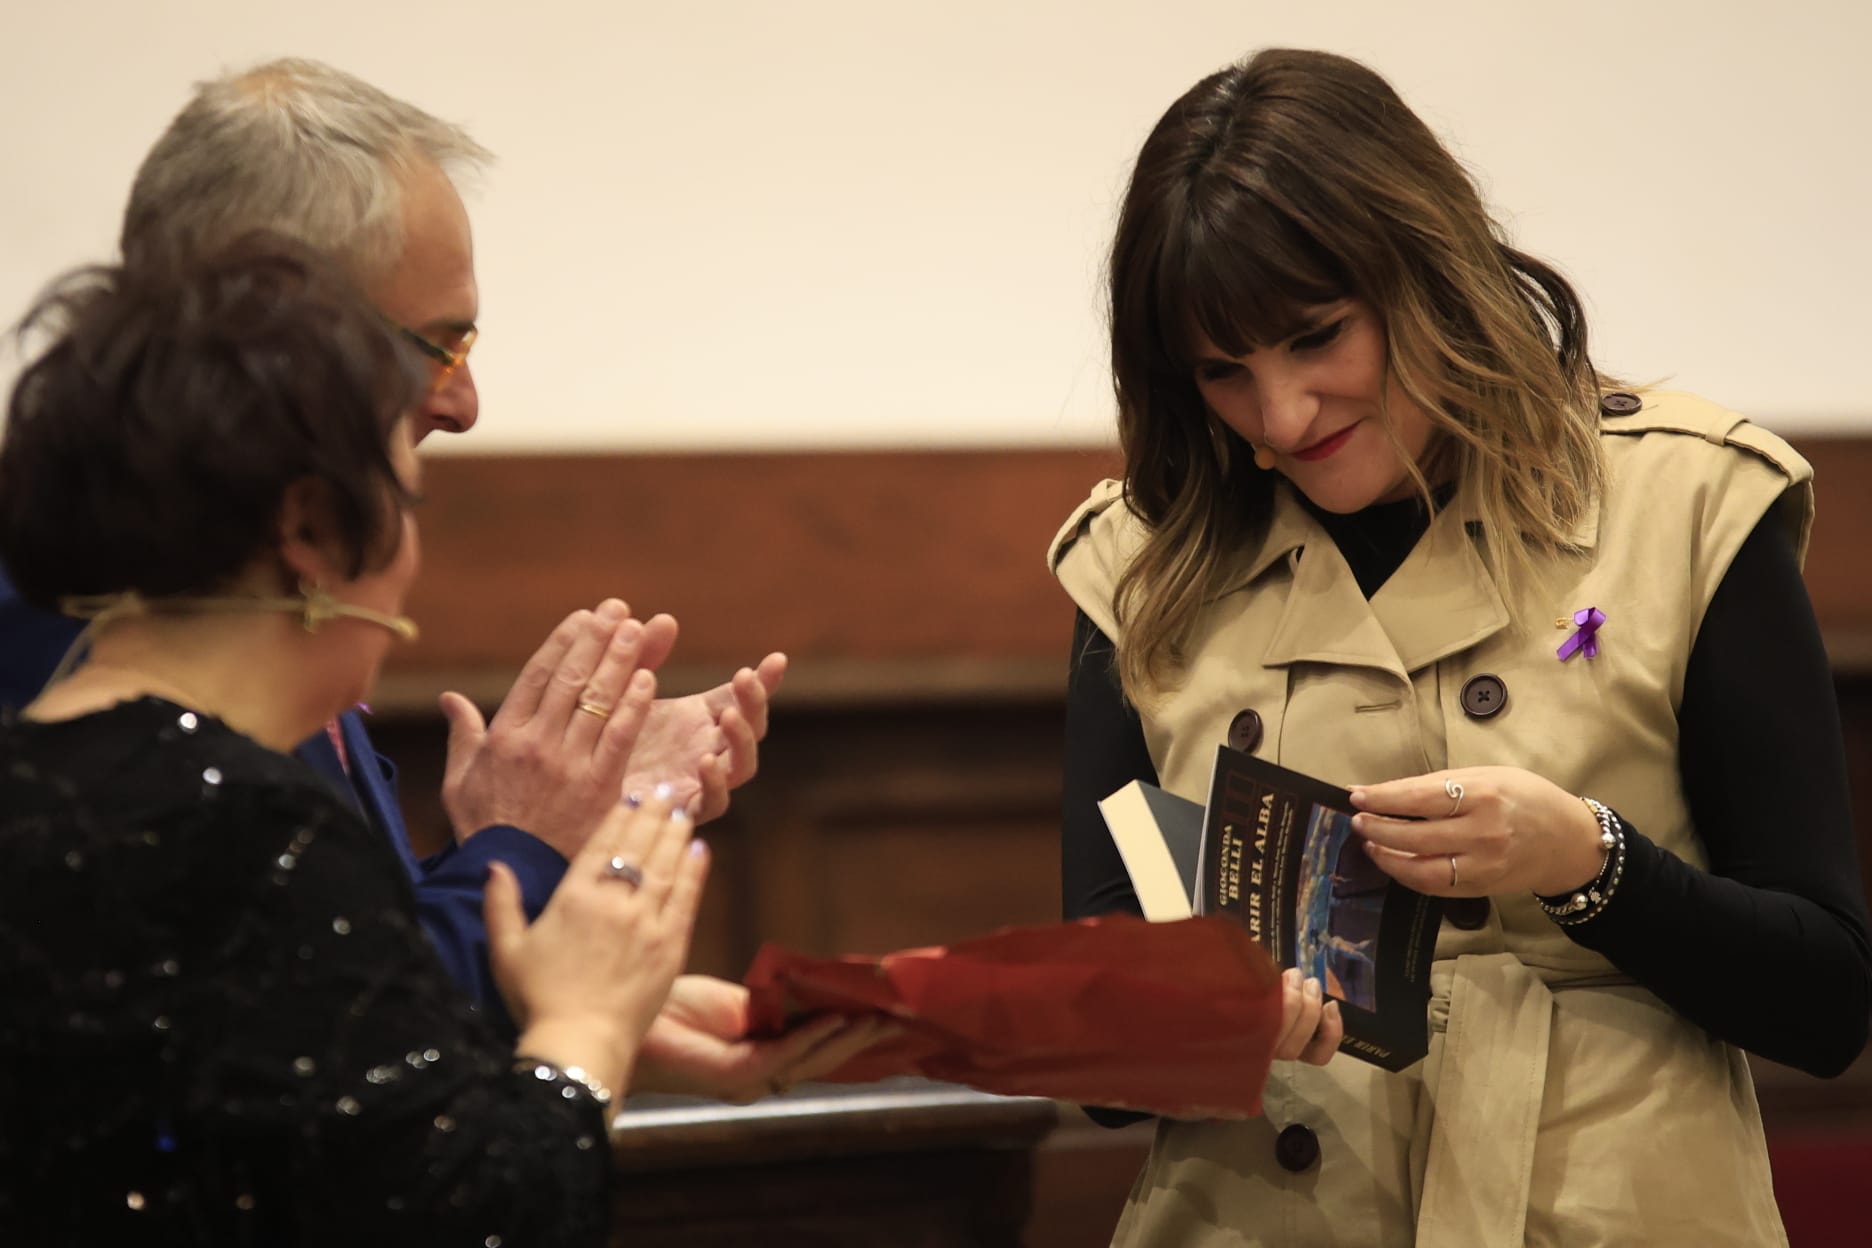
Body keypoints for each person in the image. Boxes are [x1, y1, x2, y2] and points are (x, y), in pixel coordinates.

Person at [1052, 48, 1872, 1247]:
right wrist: (1203, 1019)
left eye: (1318, 339)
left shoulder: (1688, 504)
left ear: (1424, 271)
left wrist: (1587, 861)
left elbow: (1827, 999)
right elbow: (1096, 1074)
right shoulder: (1137, 564)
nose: (1282, 416)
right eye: (1225, 373)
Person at [0, 58, 876, 1097]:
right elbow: (312, 1091)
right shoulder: (73, 632)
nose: (464, 406)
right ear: (285, 327)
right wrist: (525, 854)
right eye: (440, 345)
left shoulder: (255, 594)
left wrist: (554, 920)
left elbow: (307, 986)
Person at [0, 243, 713, 1244]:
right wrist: (584, 1027)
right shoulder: (250, 828)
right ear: (311, 527)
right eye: (405, 493)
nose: (412, 554)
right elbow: (478, 1219)